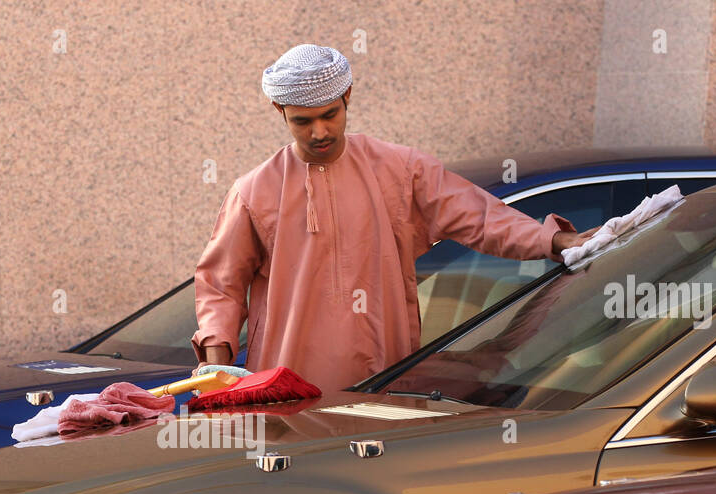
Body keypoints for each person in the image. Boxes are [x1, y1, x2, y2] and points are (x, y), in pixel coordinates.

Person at [191, 43, 596, 393]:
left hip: (382, 379)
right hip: (285, 387)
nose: (318, 132)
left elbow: (479, 216)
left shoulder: (400, 170)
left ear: (347, 95)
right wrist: (215, 364)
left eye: (329, 115)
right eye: (302, 121)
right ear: (279, 109)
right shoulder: (253, 191)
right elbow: (220, 284)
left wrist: (555, 241)